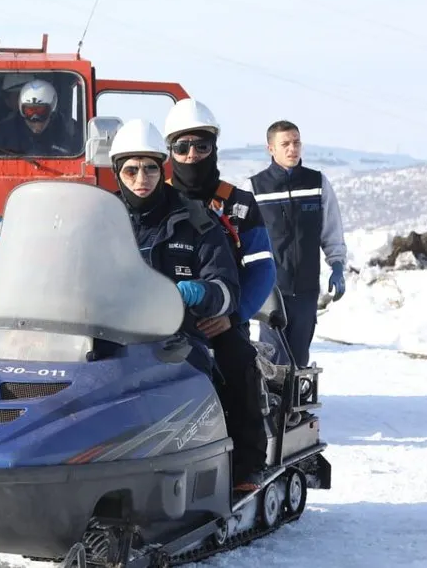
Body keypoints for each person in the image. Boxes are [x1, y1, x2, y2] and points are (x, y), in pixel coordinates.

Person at [109, 120, 257, 491]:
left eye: (150, 168)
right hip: (115, 329)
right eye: (131, 169)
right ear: (118, 173)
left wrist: (201, 294)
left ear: (163, 170)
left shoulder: (196, 219)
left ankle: (244, 466)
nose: (141, 177)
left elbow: (227, 286)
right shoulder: (101, 221)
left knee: (237, 357)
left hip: (185, 329)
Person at [161, 98, 275, 490]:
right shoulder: (153, 201)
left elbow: (263, 268)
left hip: (220, 316)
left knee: (238, 362)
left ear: (214, 148)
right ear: (169, 151)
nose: (192, 155)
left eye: (201, 146)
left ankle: (247, 464)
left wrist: (234, 315)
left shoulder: (239, 205)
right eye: (182, 146)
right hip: (158, 317)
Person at [242, 119, 348, 369]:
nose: (293, 149)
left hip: (306, 288)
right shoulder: (255, 188)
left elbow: (331, 229)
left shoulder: (317, 183)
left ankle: (295, 408)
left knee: (299, 357)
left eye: (296, 142)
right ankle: (273, 407)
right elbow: (242, 238)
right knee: (274, 357)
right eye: (285, 144)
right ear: (271, 149)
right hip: (270, 288)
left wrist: (338, 266)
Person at [0, 79, 80, 156]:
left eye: (41, 111)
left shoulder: (69, 131)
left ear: (52, 109)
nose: (35, 118)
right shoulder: (2, 134)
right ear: (22, 110)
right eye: (30, 111)